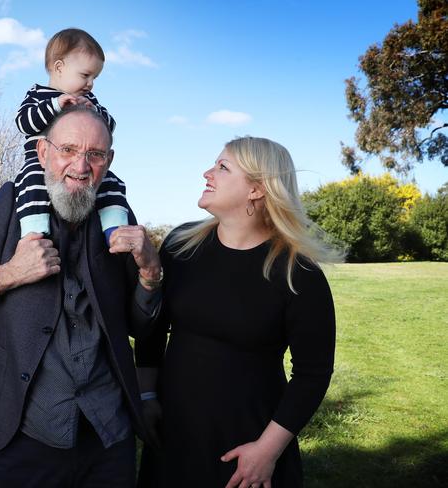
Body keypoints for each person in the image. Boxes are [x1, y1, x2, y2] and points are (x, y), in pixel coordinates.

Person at [0, 105, 163, 487]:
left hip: (108, 435)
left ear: (109, 160)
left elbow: (137, 326)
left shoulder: (117, 216)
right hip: (24, 432)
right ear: (42, 153)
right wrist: (9, 274)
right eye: (68, 150)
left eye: (96, 154)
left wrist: (151, 275)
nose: (81, 166)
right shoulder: (10, 205)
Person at [135, 136, 340, 488]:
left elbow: (312, 374)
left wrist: (268, 450)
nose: (207, 173)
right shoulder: (182, 245)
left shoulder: (298, 274)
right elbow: (153, 330)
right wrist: (148, 396)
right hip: (174, 433)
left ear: (257, 190)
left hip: (248, 447)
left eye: (222, 167)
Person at [15, 28, 128, 244]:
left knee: (111, 181)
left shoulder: (90, 100)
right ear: (59, 67)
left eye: (94, 77)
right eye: (85, 75)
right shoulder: (38, 95)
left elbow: (109, 127)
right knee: (31, 183)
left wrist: (95, 113)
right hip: (39, 164)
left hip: (80, 167)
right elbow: (24, 122)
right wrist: (56, 105)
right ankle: (34, 232)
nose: (91, 83)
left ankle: (115, 228)